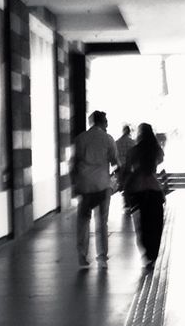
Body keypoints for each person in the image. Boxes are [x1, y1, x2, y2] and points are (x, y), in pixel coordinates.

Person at [70, 110, 121, 269]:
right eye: (106, 121)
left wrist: (74, 183)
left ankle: (82, 254)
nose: (107, 124)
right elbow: (115, 162)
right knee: (102, 222)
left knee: (84, 220)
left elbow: (74, 163)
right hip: (102, 185)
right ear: (102, 122)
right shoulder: (108, 139)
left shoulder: (81, 139)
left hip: (85, 186)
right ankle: (102, 256)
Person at [123, 122, 166, 269]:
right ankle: (153, 255)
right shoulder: (156, 150)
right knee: (156, 224)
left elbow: (127, 168)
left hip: (138, 190)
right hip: (154, 189)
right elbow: (160, 160)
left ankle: (146, 254)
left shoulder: (133, 151)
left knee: (141, 225)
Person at [114, 123, 135, 214]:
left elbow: (114, 156)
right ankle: (128, 203)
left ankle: (126, 203)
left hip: (120, 166)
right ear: (129, 132)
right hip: (130, 167)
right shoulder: (132, 142)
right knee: (129, 185)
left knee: (123, 184)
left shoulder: (117, 142)